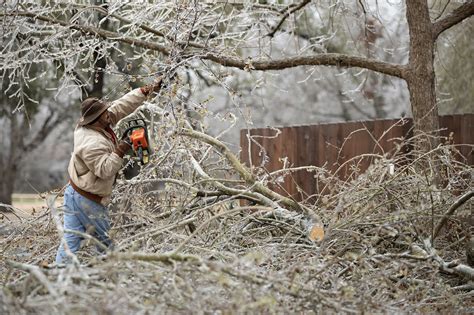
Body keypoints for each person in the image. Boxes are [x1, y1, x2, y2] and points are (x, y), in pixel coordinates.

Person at [55, 79, 162, 264]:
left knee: (69, 244)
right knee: (105, 245)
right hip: (88, 200)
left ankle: (59, 278)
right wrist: (121, 149)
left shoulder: (94, 123)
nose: (109, 114)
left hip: (74, 193)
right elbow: (105, 170)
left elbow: (121, 106)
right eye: (105, 113)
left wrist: (146, 90)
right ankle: (109, 281)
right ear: (97, 119)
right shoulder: (91, 143)